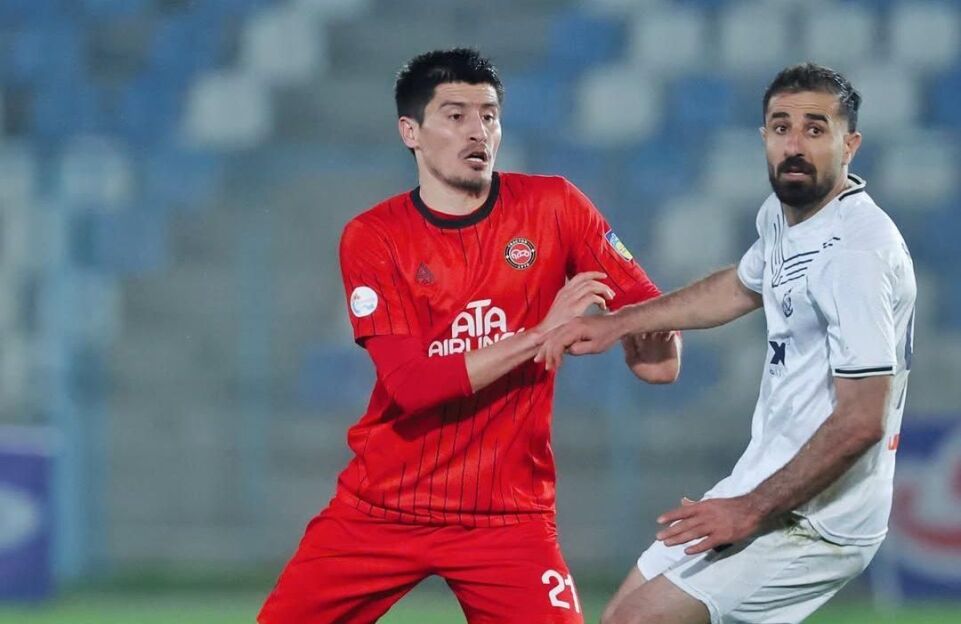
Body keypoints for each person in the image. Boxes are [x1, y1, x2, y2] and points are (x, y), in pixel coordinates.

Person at [258, 48, 680, 624]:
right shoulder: (374, 236)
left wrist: (645, 330)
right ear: (410, 132)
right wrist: (541, 334)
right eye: (455, 116)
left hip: (508, 517)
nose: (477, 131)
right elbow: (412, 385)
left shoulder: (555, 206)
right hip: (384, 506)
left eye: (489, 116)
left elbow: (659, 361)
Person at [537, 63, 917, 624]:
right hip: (765, 482)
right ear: (764, 136)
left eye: (815, 129)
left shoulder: (856, 254)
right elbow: (740, 286)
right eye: (781, 127)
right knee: (619, 615)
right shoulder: (784, 218)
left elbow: (863, 420)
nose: (794, 145)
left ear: (850, 145)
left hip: (820, 520)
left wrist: (749, 510)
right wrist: (621, 322)